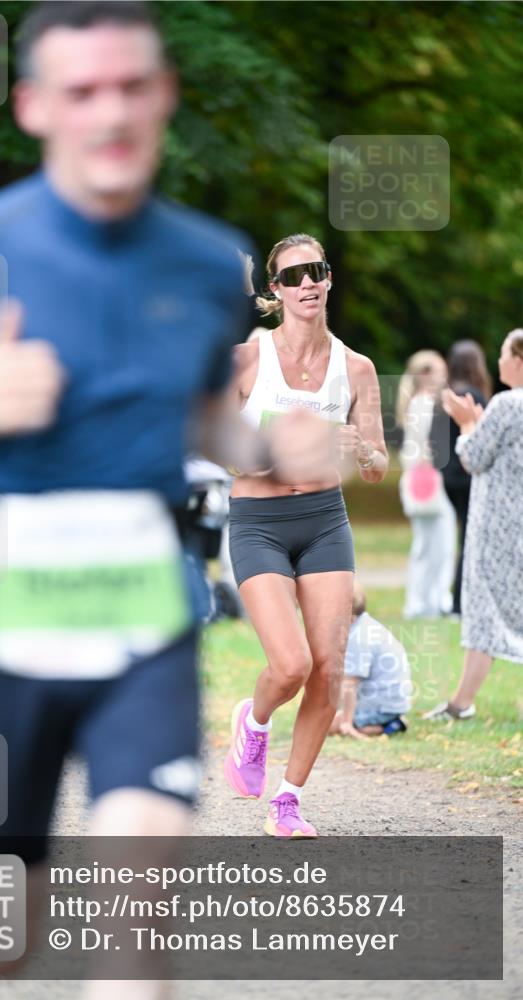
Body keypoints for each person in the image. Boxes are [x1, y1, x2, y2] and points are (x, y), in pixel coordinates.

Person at [0, 4, 331, 996]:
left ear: (163, 95)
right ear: (34, 106)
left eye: (129, 87)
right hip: (5, 625)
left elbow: (202, 413)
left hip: (143, 619)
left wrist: (257, 442)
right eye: (81, 91)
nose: (108, 113)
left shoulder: (208, 263)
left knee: (135, 921)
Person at [223, 232, 388, 838]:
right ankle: (256, 720)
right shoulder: (246, 360)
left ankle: (288, 801)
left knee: (328, 664)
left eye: (315, 271)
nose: (306, 284)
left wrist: (362, 447)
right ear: (276, 290)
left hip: (324, 521)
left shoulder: (357, 369)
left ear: (328, 278)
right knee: (289, 663)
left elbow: (376, 467)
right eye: (292, 277)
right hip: (259, 522)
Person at [423, 329, 523, 721]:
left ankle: (461, 704)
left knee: (485, 610)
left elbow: (473, 456)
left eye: (502, 353)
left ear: (517, 358)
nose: (497, 362)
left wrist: (467, 425)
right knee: (495, 611)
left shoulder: (507, 403)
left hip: (496, 524)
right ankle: (461, 702)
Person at [430, 340, 491, 615]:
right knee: (472, 539)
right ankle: (461, 603)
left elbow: (435, 444)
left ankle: (458, 602)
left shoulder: (443, 397)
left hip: (448, 478)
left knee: (465, 537)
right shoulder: (473, 397)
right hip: (469, 477)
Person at [396, 350, 456, 619]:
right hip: (427, 480)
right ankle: (430, 601)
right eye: (439, 371)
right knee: (436, 545)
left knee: (428, 545)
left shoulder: (417, 404)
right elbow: (425, 448)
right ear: (424, 375)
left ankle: (424, 602)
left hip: (421, 479)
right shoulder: (423, 404)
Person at [329, 583, 411, 738]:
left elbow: (350, 684)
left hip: (382, 705)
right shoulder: (365, 625)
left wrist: (346, 721)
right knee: (325, 715)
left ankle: (390, 725)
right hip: (389, 701)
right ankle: (386, 720)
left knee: (327, 725)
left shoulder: (359, 638)